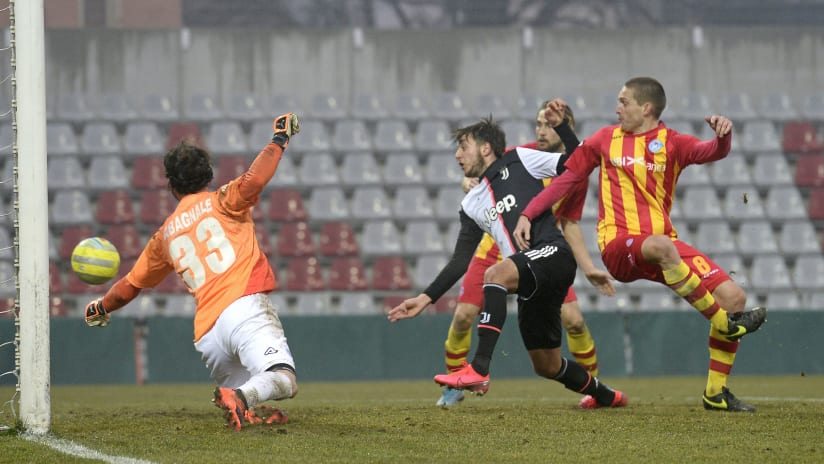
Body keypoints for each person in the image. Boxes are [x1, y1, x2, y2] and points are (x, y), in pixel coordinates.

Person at [513, 77, 767, 412]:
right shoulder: (604, 140)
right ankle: (723, 323)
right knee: (665, 248)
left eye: (623, 102)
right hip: (619, 246)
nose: (616, 108)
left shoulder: (672, 143)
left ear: (645, 108)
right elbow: (569, 178)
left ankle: (715, 393)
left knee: (734, 297)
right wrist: (529, 214)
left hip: (664, 248)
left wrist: (724, 136)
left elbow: (712, 152)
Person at [387, 112, 627, 409]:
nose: (457, 155)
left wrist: (562, 127)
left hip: (553, 253)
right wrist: (425, 298)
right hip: (530, 278)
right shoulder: (471, 203)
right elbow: (461, 260)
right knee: (546, 365)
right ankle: (608, 396)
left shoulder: (521, 160)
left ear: (486, 147)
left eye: (463, 146)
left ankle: (479, 368)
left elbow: (575, 161)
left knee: (495, 274)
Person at [83, 113, 302, 430]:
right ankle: (241, 399)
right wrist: (280, 138)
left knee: (249, 387)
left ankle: (243, 402)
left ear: (171, 186)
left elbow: (130, 286)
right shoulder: (224, 200)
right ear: (209, 175)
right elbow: (255, 179)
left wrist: (100, 306)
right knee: (284, 378)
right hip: (243, 307)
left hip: (209, 335)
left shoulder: (165, 235)